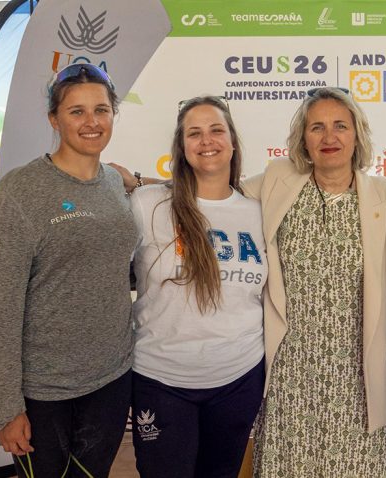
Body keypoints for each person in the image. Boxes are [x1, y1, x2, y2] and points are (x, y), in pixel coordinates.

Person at [0, 63, 136, 478]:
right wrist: (5, 406)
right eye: (76, 111)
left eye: (101, 110)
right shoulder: (21, 190)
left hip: (111, 379)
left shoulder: (115, 184)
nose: (91, 122)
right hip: (43, 392)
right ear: (54, 119)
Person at [244, 87, 386, 477]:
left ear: (357, 136)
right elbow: (213, 196)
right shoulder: (276, 182)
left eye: (340, 126)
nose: (329, 137)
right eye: (317, 127)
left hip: (359, 370)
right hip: (291, 372)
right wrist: (143, 183)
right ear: (303, 138)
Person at [123, 96, 266, 478]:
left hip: (238, 379)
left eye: (216, 130)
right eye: (195, 133)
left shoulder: (259, 213)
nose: (207, 140)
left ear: (232, 141)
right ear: (182, 147)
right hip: (162, 381)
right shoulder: (148, 205)